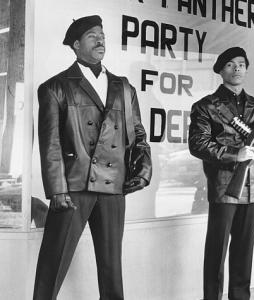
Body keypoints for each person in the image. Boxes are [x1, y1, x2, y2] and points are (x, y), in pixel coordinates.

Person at [33, 15, 152, 300]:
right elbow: (50, 144)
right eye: (91, 36)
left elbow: (138, 134)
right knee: (53, 264)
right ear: (75, 45)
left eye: (102, 35)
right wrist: (57, 189)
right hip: (73, 188)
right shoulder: (55, 87)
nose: (100, 40)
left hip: (113, 187)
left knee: (112, 269)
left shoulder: (124, 86)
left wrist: (144, 169)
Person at [188, 47, 254, 300]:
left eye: (241, 64)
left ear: (247, 68)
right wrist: (234, 154)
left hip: (253, 189)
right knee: (216, 252)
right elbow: (198, 144)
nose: (237, 68)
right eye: (230, 64)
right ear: (221, 70)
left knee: (244, 252)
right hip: (223, 188)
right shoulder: (206, 106)